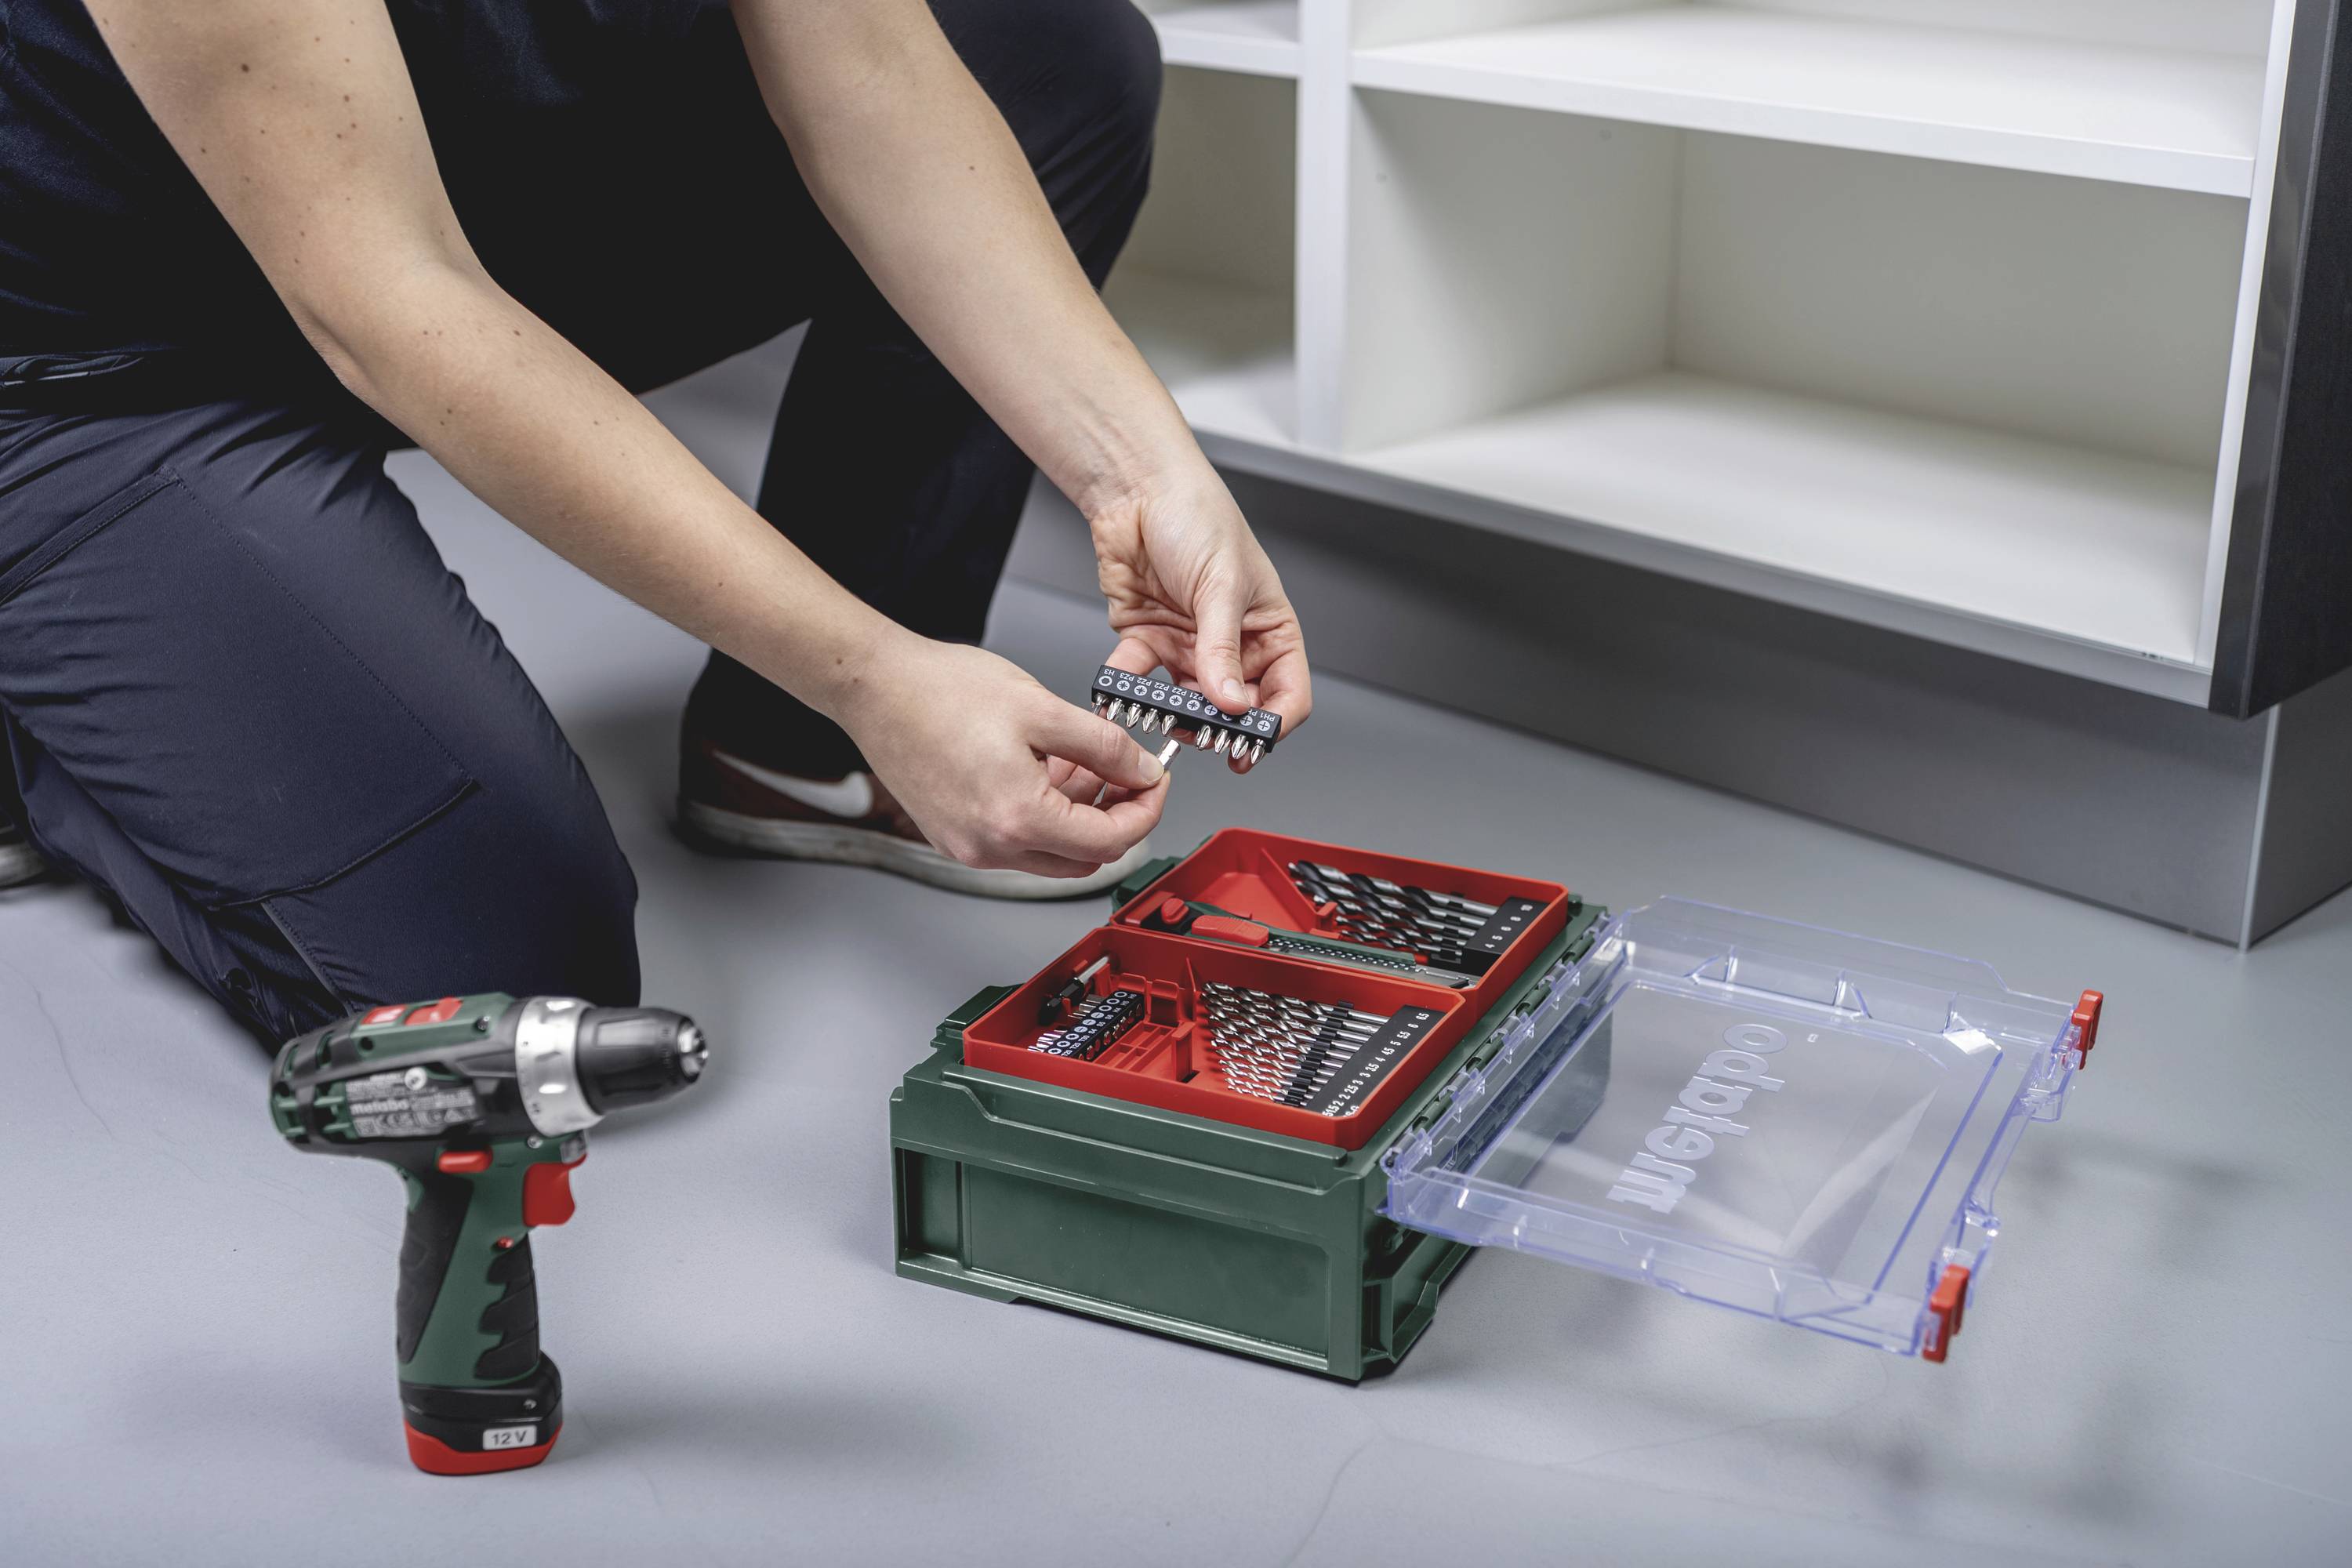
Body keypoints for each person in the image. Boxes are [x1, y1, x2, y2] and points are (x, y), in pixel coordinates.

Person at [0, 0, 1310, 1044]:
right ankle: (49, 724)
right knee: (506, 987)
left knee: (1045, 52)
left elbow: (875, 76)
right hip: (122, 362)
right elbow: (388, 297)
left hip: (427, 195)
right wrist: (873, 670)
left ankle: (792, 746)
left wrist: (1144, 481)